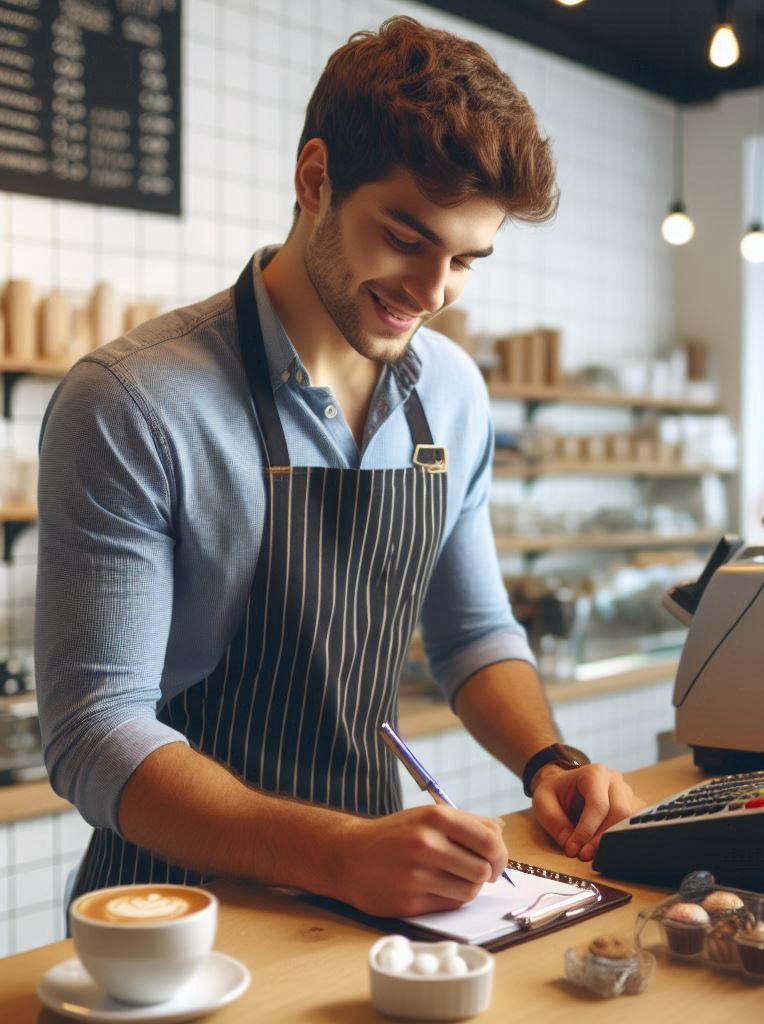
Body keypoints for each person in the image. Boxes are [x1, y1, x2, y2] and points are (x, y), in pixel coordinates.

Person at [35, 16, 640, 919]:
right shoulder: (133, 401)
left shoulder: (455, 394)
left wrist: (548, 759)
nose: (433, 294)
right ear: (315, 179)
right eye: (406, 236)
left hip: (370, 899)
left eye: (466, 260)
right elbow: (93, 732)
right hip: (167, 910)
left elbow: (472, 634)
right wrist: (336, 852)